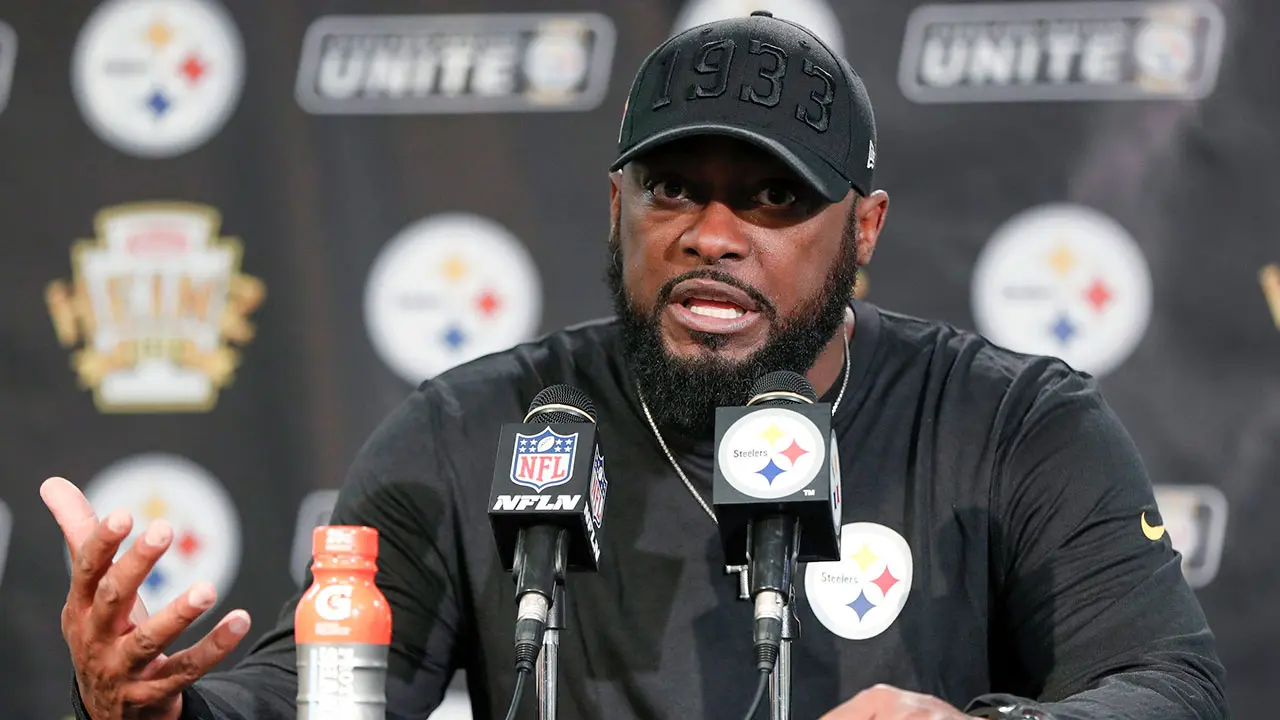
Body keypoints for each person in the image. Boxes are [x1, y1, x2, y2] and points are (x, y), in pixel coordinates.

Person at [43, 11, 1227, 720]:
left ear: (863, 229)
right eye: (672, 190)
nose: (711, 235)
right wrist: (165, 713)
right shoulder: (479, 430)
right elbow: (323, 688)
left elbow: (1168, 687)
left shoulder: (1009, 424)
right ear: (617, 207)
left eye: (772, 198)